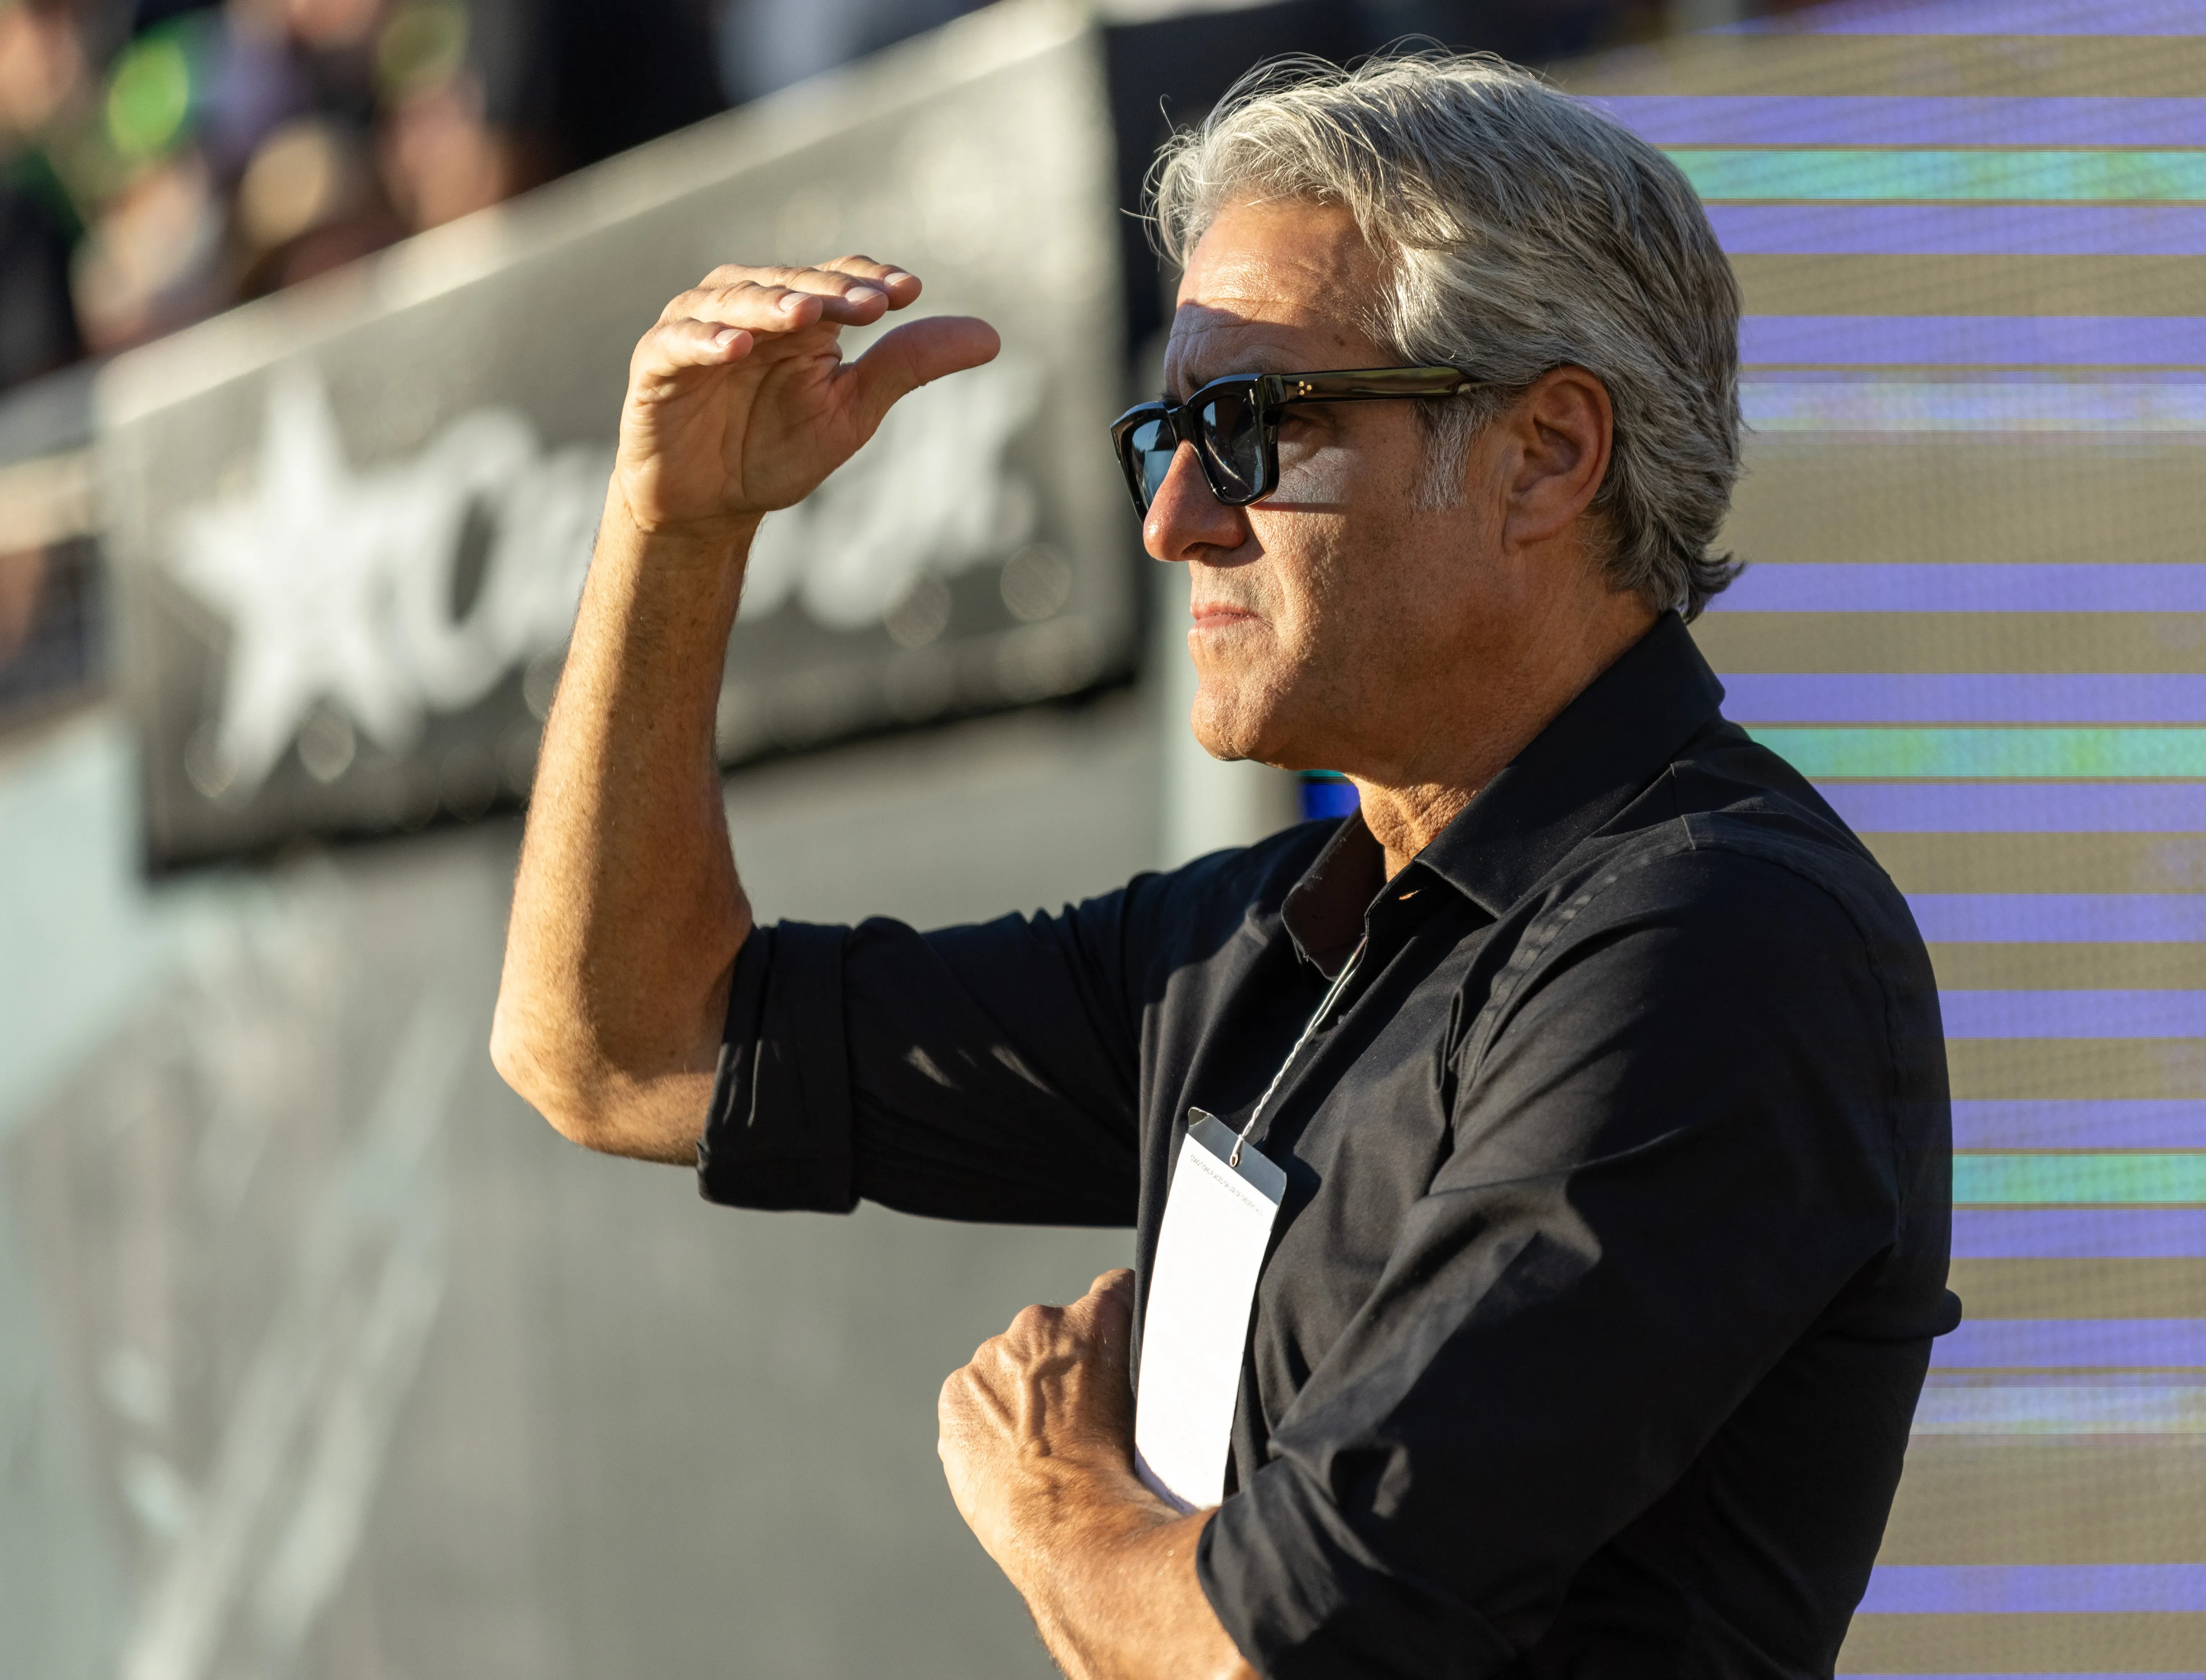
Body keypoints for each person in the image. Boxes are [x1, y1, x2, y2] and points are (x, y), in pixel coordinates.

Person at [492, 52, 1957, 1680]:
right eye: (1166, 431)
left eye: (1254, 426)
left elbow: (1288, 1644)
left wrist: (1057, 1504)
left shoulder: (1719, 939)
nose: (1175, 517)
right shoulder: (1279, 940)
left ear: (1546, 454)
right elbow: (621, 1047)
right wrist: (675, 529)